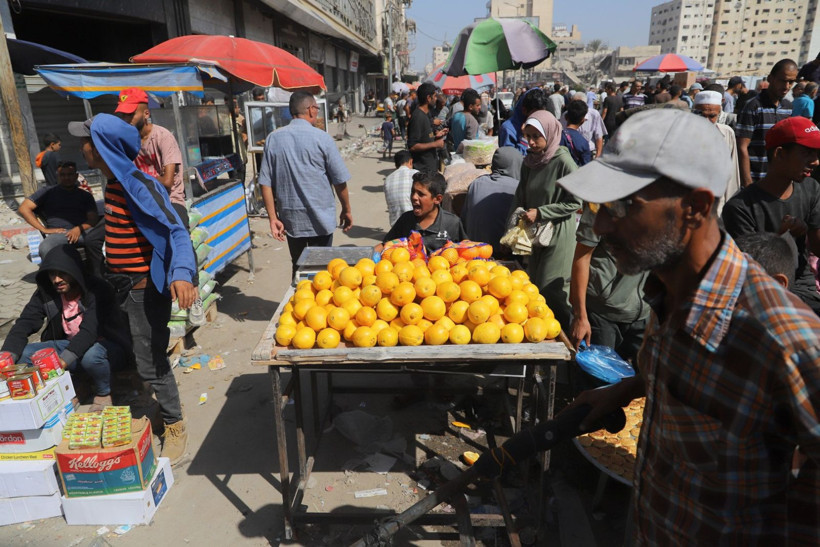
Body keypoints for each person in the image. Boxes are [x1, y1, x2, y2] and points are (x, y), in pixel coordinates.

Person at [557, 108, 820, 545]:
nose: (602, 225)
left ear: (695, 208)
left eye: (622, 206)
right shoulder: (666, 295)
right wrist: (626, 389)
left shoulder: (786, 341)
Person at [68, 114, 196, 464]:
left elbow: (177, 230)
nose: (81, 147)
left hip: (144, 291)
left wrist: (182, 272)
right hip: (124, 288)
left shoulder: (138, 184)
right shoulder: (111, 183)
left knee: (151, 361)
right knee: (144, 357)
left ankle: (175, 423)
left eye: (86, 140)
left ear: (101, 148)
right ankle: (164, 409)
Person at [1, 245, 125, 410]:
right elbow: (25, 322)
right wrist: (7, 354)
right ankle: (74, 385)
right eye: (52, 274)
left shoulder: (97, 289)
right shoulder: (47, 292)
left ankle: (103, 392)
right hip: (69, 347)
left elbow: (89, 331)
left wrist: (60, 363)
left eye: (62, 273)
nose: (56, 280)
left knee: (91, 356)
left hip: (106, 348)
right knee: (25, 353)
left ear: (75, 271)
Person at [722, 116, 820, 316]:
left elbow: (817, 245)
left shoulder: (811, 189)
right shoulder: (740, 207)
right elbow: (750, 271)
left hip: (804, 286)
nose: (816, 161)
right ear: (780, 154)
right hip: (763, 294)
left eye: (817, 153)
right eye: (807, 153)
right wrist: (780, 236)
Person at [258, 92, 353, 277]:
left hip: (291, 221)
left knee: (299, 267)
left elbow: (265, 182)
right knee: (322, 272)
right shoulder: (322, 138)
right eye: (316, 108)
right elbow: (339, 180)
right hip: (321, 220)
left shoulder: (273, 138)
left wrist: (273, 218)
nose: (316, 112)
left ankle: (299, 298)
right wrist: (346, 209)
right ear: (310, 110)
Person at [512, 111, 582, 327]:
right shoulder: (529, 163)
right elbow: (520, 195)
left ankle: (564, 338)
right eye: (528, 136)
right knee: (532, 288)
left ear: (550, 134)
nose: (531, 142)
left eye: (536, 136)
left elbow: (576, 201)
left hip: (558, 234)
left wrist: (541, 212)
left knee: (550, 290)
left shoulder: (563, 162)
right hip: (534, 233)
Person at [569, 202, 649, 364]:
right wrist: (580, 316)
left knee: (641, 380)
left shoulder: (657, 204)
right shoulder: (603, 203)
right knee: (599, 382)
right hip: (602, 316)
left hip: (643, 314)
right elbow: (582, 257)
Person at [114, 88, 188, 226]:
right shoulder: (125, 142)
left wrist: (137, 178)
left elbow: (167, 182)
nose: (126, 120)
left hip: (170, 201)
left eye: (130, 114)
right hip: (141, 202)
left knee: (180, 240)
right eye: (123, 115)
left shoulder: (163, 137)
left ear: (146, 114)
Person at [18, 161, 102, 268]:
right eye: (63, 175)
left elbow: (93, 220)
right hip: (60, 234)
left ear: (76, 176)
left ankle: (98, 276)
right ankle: (53, 278)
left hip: (84, 232)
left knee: (102, 241)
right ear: (58, 176)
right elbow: (24, 208)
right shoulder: (47, 192)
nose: (66, 178)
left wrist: (78, 228)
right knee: (45, 247)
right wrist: (44, 230)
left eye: (70, 174)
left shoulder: (85, 195)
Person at [736, 59, 797, 186]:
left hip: (777, 180)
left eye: (791, 82)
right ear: (771, 78)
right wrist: (748, 183)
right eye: (783, 80)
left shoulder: (787, 107)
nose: (787, 86)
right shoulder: (753, 106)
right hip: (756, 180)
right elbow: (742, 147)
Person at [381, 171, 466, 253]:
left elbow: (467, 249)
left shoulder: (452, 223)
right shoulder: (405, 220)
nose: (414, 197)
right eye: (413, 192)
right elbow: (385, 245)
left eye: (421, 194)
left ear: (437, 199)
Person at [460, 147, 522, 253]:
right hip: (501, 252)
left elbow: (464, 219)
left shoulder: (476, 183)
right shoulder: (518, 189)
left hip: (472, 250)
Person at [693, 91, 742, 214]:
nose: (706, 120)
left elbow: (732, 174)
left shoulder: (727, 133)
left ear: (719, 114)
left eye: (712, 116)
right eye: (702, 115)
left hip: (718, 206)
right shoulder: (681, 134)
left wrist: (731, 206)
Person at [407, 82, 448, 175]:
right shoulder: (417, 117)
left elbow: (425, 137)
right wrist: (435, 144)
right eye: (434, 96)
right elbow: (413, 146)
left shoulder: (426, 115)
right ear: (428, 98)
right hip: (422, 170)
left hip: (430, 166)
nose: (436, 98)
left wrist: (436, 135)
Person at [498, 88, 548, 154]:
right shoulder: (508, 129)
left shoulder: (542, 124)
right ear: (524, 110)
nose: (538, 118)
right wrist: (524, 138)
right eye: (535, 114)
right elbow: (511, 161)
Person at [561, 92, 606, 158]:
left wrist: (598, 155)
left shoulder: (594, 115)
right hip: (569, 153)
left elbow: (599, 136)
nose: (575, 108)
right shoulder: (565, 115)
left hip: (587, 152)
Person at [384, 150, 417, 226]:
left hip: (395, 225)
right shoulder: (415, 174)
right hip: (414, 223)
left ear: (396, 165)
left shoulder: (388, 179)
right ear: (411, 162)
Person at [559, 101, 592, 167]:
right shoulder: (583, 142)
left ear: (566, 117)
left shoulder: (556, 137)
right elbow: (585, 167)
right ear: (582, 120)